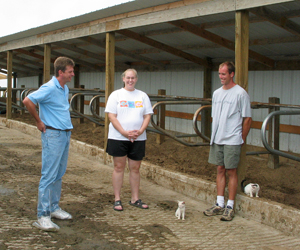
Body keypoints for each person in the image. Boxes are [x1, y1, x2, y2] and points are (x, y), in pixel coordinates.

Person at [23, 57, 75, 231]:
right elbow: (28, 101)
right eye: (70, 71)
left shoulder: (64, 88)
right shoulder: (49, 87)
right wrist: (38, 121)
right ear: (60, 72)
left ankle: (54, 208)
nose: (72, 74)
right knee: (49, 175)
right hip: (52, 134)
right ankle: (42, 215)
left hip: (65, 134)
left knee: (59, 173)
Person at [203, 61, 252, 221]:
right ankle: (219, 203)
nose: (221, 77)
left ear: (232, 74)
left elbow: (247, 118)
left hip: (232, 138)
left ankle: (230, 206)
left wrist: (241, 138)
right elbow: (215, 116)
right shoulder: (217, 93)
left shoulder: (240, 93)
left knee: (231, 171)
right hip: (218, 137)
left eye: (224, 74)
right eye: (219, 74)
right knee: (219, 169)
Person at [105, 69, 153, 211]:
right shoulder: (116, 95)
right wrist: (124, 132)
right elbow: (111, 116)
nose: (130, 80)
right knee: (119, 167)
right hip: (118, 137)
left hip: (138, 138)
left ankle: (135, 198)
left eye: (133, 78)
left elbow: (147, 115)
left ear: (136, 79)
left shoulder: (142, 96)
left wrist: (140, 131)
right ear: (123, 79)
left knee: (135, 168)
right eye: (128, 78)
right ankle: (117, 198)